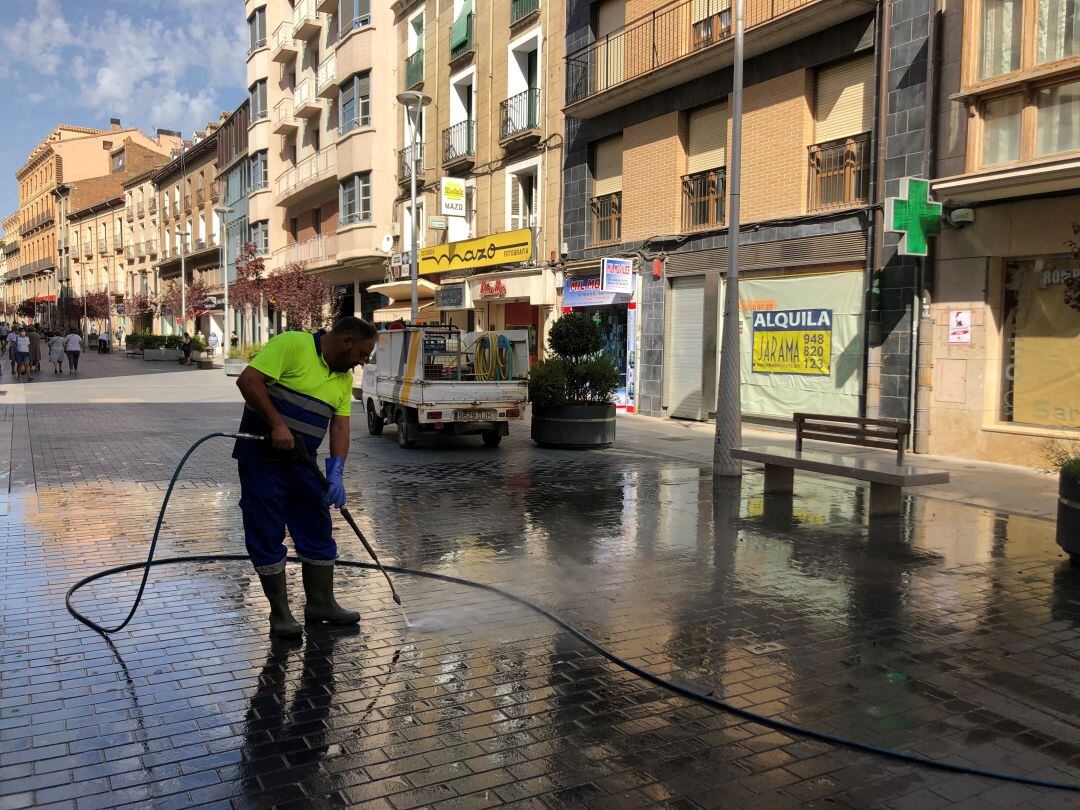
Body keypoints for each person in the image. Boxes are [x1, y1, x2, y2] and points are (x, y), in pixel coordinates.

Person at [234, 317, 377, 638]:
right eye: (362, 354)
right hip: (262, 458)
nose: (362, 361)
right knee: (266, 529)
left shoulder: (343, 375)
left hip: (303, 462)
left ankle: (321, 603)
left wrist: (337, 471)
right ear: (346, 342)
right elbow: (249, 381)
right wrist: (277, 425)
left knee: (316, 525)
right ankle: (280, 613)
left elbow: (340, 425)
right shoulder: (292, 344)